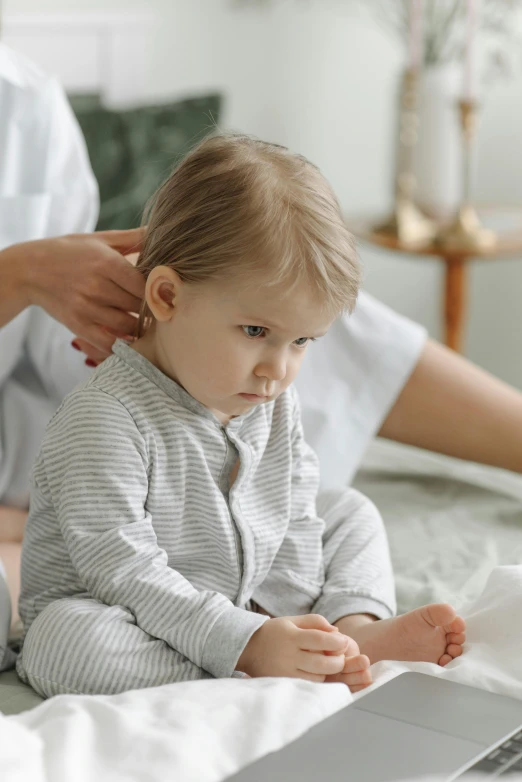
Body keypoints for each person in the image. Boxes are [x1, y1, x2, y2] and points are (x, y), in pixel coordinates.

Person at [15, 133, 465, 697]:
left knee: (348, 510)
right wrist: (248, 643)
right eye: (256, 332)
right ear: (167, 297)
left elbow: (296, 517)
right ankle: (249, 674)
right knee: (65, 641)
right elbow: (123, 572)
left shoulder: (273, 399)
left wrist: (300, 622)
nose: (277, 369)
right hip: (130, 610)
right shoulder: (104, 418)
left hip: (245, 597)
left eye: (302, 340)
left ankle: (350, 637)